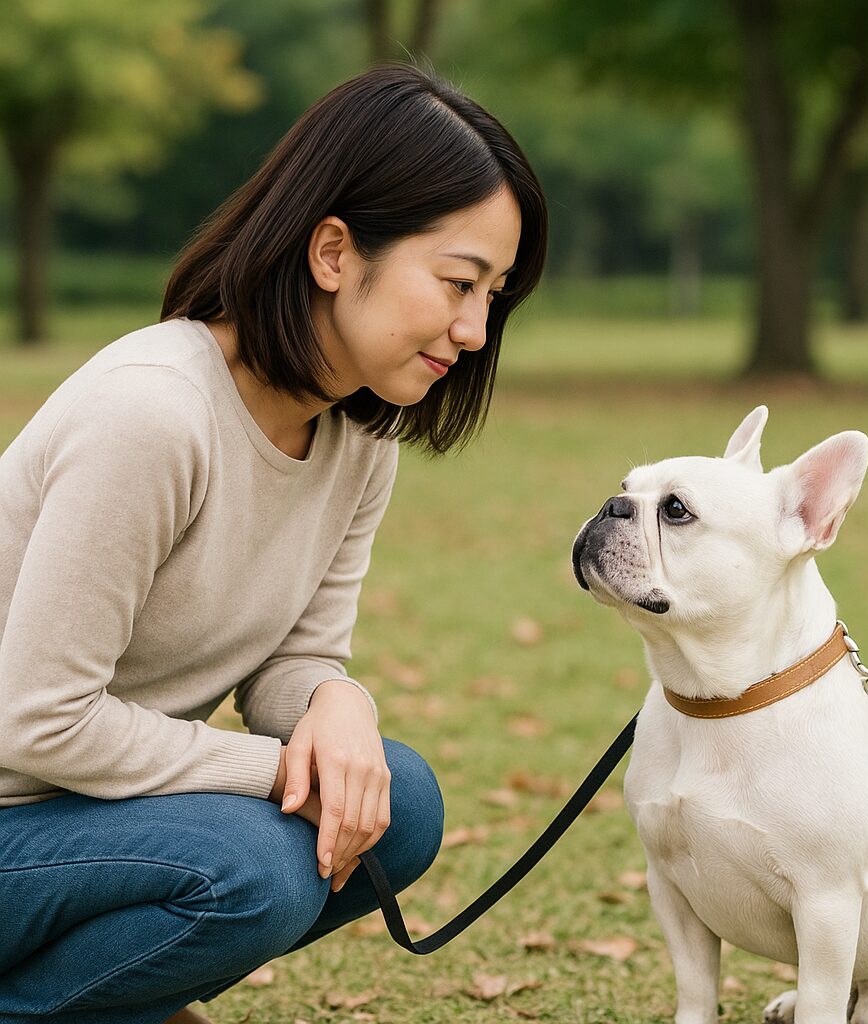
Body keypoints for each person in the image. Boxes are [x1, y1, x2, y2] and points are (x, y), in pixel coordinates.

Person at [0, 63, 547, 1023]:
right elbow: (38, 722)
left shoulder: (357, 434)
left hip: (78, 813)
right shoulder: (154, 415)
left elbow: (295, 658)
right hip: (19, 803)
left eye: (495, 295)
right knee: (258, 866)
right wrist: (287, 766)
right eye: (459, 282)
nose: (474, 329)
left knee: (400, 804)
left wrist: (339, 701)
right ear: (334, 251)